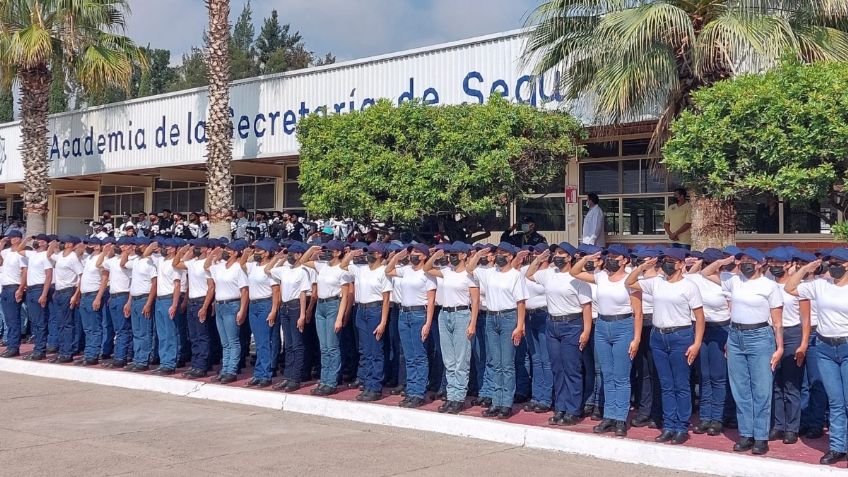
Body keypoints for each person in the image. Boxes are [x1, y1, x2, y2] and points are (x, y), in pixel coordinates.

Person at [702, 247, 783, 455]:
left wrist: (779, 346)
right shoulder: (733, 280)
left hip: (760, 336)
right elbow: (705, 273)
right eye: (742, 260)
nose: (745, 263)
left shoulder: (769, 285)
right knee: (740, 389)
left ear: (760, 263)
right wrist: (725, 261)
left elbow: (777, 320)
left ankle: (761, 437)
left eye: (750, 260)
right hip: (736, 335)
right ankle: (746, 434)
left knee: (761, 389)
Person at [627, 248, 705, 445]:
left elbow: (699, 317)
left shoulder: (689, 286)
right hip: (658, 336)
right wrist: (644, 266)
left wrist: (696, 343)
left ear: (681, 264)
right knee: (666, 384)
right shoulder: (657, 282)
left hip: (681, 335)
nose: (667, 264)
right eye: (664, 261)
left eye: (671, 261)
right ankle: (669, 425)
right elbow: (629, 282)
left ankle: (681, 426)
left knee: (681, 384)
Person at [786, 248, 848, 465]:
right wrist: (806, 268)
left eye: (838, 262)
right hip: (824, 347)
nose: (833, 266)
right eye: (831, 262)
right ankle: (838, 446)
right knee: (836, 401)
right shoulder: (821, 285)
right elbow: (790, 287)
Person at [571, 244, 641, 437]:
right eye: (609, 256)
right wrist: (587, 259)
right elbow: (575, 272)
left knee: (621, 376)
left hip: (623, 325)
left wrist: (636, 338)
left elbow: (638, 313)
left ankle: (620, 418)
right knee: (608, 375)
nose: (611, 259)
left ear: (625, 260)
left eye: (616, 257)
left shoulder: (630, 279)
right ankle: (609, 416)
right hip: (602, 325)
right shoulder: (601, 276)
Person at [526, 242, 592, 426]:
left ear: (570, 257)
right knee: (557, 368)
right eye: (556, 253)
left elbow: (586, 307)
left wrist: (586, 331)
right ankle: (560, 407)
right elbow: (529, 274)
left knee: (572, 369)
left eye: (562, 253)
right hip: (552, 323)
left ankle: (573, 409)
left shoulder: (578, 279)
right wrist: (539, 259)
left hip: (572, 324)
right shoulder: (549, 274)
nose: (557, 256)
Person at [466, 242, 528, 419]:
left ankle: (506, 404)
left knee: (507, 364)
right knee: (495, 362)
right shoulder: (489, 273)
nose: (499, 255)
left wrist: (519, 325)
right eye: (498, 252)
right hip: (492, 317)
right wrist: (478, 255)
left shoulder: (516, 275)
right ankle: (496, 401)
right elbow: (470, 269)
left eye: (503, 253)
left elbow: (521, 302)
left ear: (510, 256)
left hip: (508, 317)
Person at [422, 242, 479, 413]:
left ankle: (459, 397)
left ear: (464, 255)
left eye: (456, 254)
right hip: (444, 314)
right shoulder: (446, 271)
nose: (452, 256)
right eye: (451, 254)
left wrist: (473, 323)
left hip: (461, 314)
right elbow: (426, 268)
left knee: (461, 358)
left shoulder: (469, 275)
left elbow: (475, 301)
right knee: (449, 359)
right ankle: (451, 394)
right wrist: (436, 255)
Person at [766, 247, 811, 445]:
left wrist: (803, 344)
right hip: (770, 334)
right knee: (775, 383)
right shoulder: (767, 285)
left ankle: (792, 428)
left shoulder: (798, 288)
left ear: (788, 265)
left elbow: (806, 319)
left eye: (778, 263)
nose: (775, 266)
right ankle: (778, 425)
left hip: (792, 334)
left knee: (792, 385)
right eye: (772, 263)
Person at [686, 248, 733, 436]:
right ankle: (705, 418)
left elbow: (733, 310)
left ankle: (717, 418)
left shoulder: (726, 280)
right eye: (705, 262)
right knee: (704, 376)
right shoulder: (696, 278)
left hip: (721, 328)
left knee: (718, 377)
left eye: (711, 262)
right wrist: (697, 263)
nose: (707, 265)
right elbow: (688, 275)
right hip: (700, 328)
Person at [386, 244, 438, 408]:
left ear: (424, 256)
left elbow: (431, 301)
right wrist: (398, 256)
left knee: (419, 355)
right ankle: (411, 389)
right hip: (404, 313)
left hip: (418, 314)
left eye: (416, 252)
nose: (413, 255)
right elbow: (388, 270)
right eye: (412, 252)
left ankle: (418, 392)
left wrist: (428, 323)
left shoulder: (427, 274)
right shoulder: (406, 270)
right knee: (409, 356)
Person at [300, 241, 352, 395]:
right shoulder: (322, 266)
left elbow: (344, 297)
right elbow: (302, 260)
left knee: (332, 346)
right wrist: (312, 248)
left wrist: (339, 318)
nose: (327, 253)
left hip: (333, 305)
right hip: (320, 306)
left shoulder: (342, 270)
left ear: (338, 253)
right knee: (323, 347)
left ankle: (331, 381)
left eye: (330, 250)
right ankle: (324, 380)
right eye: (326, 250)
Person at [341, 242, 392, 402]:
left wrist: (383, 322)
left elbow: (386, 300)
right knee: (365, 350)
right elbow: (343, 265)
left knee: (375, 350)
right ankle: (367, 384)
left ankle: (375, 387)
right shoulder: (360, 269)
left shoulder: (383, 272)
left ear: (379, 255)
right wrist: (353, 253)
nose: (368, 254)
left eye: (371, 252)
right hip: (361, 310)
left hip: (375, 310)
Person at [267, 242, 313, 391]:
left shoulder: (303, 271)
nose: (290, 257)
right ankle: (287, 376)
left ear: (299, 255)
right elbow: (268, 269)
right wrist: (279, 258)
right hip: (285, 307)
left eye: (292, 254)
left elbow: (302, 294)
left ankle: (295, 378)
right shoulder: (285, 269)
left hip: (295, 307)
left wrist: (302, 315)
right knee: (288, 344)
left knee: (297, 344)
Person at [205, 240, 249, 383]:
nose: (226, 252)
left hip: (232, 304)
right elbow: (206, 267)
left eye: (229, 250)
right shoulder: (220, 267)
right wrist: (213, 255)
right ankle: (225, 369)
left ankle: (231, 370)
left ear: (235, 253)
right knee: (225, 342)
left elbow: (244, 291)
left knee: (233, 341)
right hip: (220, 305)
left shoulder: (237, 268)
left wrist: (242, 310)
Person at [239, 239, 279, 388]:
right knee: (258, 340)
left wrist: (273, 310)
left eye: (259, 250)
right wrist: (247, 252)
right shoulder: (253, 266)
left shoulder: (270, 269)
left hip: (265, 304)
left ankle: (265, 374)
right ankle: (258, 373)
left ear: (267, 253)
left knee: (264, 342)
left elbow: (276, 292)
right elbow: (241, 264)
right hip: (253, 305)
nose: (256, 252)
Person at [145, 239, 184, 375]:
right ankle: (163, 362)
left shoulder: (175, 265)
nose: (163, 249)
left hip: (168, 299)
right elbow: (146, 254)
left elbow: (177, 286)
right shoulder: (160, 260)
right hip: (159, 299)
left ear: (173, 249)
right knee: (161, 334)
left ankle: (169, 364)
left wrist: (174, 304)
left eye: (166, 247)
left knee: (170, 333)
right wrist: (154, 245)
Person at [47, 236, 84, 364]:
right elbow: (49, 254)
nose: (64, 244)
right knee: (60, 324)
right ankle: (62, 351)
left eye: (67, 242)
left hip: (68, 291)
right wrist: (52, 245)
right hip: (58, 291)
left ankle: (67, 353)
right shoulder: (61, 255)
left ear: (71, 244)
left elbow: (81, 275)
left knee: (67, 324)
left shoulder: (73, 257)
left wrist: (76, 295)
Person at [99, 238, 134, 368]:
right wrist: (107, 251)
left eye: (124, 245)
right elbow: (100, 264)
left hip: (124, 295)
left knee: (123, 329)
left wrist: (129, 302)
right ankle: (120, 355)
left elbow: (132, 283)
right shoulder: (113, 260)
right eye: (119, 245)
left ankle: (121, 357)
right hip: (113, 296)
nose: (121, 247)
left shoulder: (130, 262)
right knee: (118, 328)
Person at [75, 238, 109, 366]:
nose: (88, 246)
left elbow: (105, 279)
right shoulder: (88, 258)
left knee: (94, 327)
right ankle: (88, 353)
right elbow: (76, 252)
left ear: (97, 246)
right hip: (84, 295)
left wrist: (98, 298)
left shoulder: (102, 259)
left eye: (91, 244)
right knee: (87, 327)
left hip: (94, 294)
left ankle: (93, 355)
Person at [20, 234, 53, 361]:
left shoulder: (45, 256)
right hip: (30, 289)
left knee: (40, 321)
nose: (38, 241)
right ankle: (36, 349)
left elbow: (49, 276)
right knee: (34, 321)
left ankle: (40, 350)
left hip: (39, 288)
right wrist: (26, 240)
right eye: (37, 239)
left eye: (41, 240)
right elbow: (19, 250)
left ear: (45, 243)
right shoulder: (32, 254)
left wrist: (44, 294)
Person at [0, 231, 26, 358]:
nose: (11, 239)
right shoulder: (5, 252)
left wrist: (21, 288)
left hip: (14, 287)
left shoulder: (21, 253)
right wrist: (1, 246)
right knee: (8, 319)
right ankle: (10, 345)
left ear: (19, 239)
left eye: (13, 237)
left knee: (14, 318)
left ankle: (14, 347)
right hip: (4, 287)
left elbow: (24, 271)